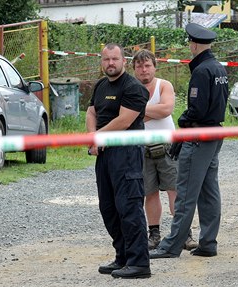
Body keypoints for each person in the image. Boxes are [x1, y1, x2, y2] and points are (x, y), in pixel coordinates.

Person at [149, 23, 228, 259]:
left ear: (194, 44)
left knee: (185, 193)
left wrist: (183, 120)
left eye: (189, 43)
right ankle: (208, 242)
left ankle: (171, 245)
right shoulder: (219, 68)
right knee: (208, 191)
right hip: (214, 135)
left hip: (198, 136)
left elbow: (197, 110)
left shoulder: (202, 71)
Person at [86, 43, 151, 279]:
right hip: (104, 155)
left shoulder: (133, 87)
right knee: (109, 208)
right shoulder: (101, 85)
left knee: (129, 208)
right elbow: (92, 112)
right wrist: (94, 136)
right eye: (106, 60)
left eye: (115, 59)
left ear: (124, 61)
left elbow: (124, 120)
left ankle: (139, 263)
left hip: (126, 154)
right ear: (101, 61)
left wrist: (99, 135)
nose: (110, 64)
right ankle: (122, 257)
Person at [131, 49, 198, 251]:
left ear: (154, 66)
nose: (144, 70)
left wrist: (139, 112)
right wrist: (152, 111)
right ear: (133, 69)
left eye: (147, 65)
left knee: (175, 191)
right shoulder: (131, 88)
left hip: (169, 147)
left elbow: (166, 109)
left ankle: (184, 234)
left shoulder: (164, 85)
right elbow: (128, 115)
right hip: (142, 147)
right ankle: (154, 235)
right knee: (148, 193)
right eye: (139, 66)